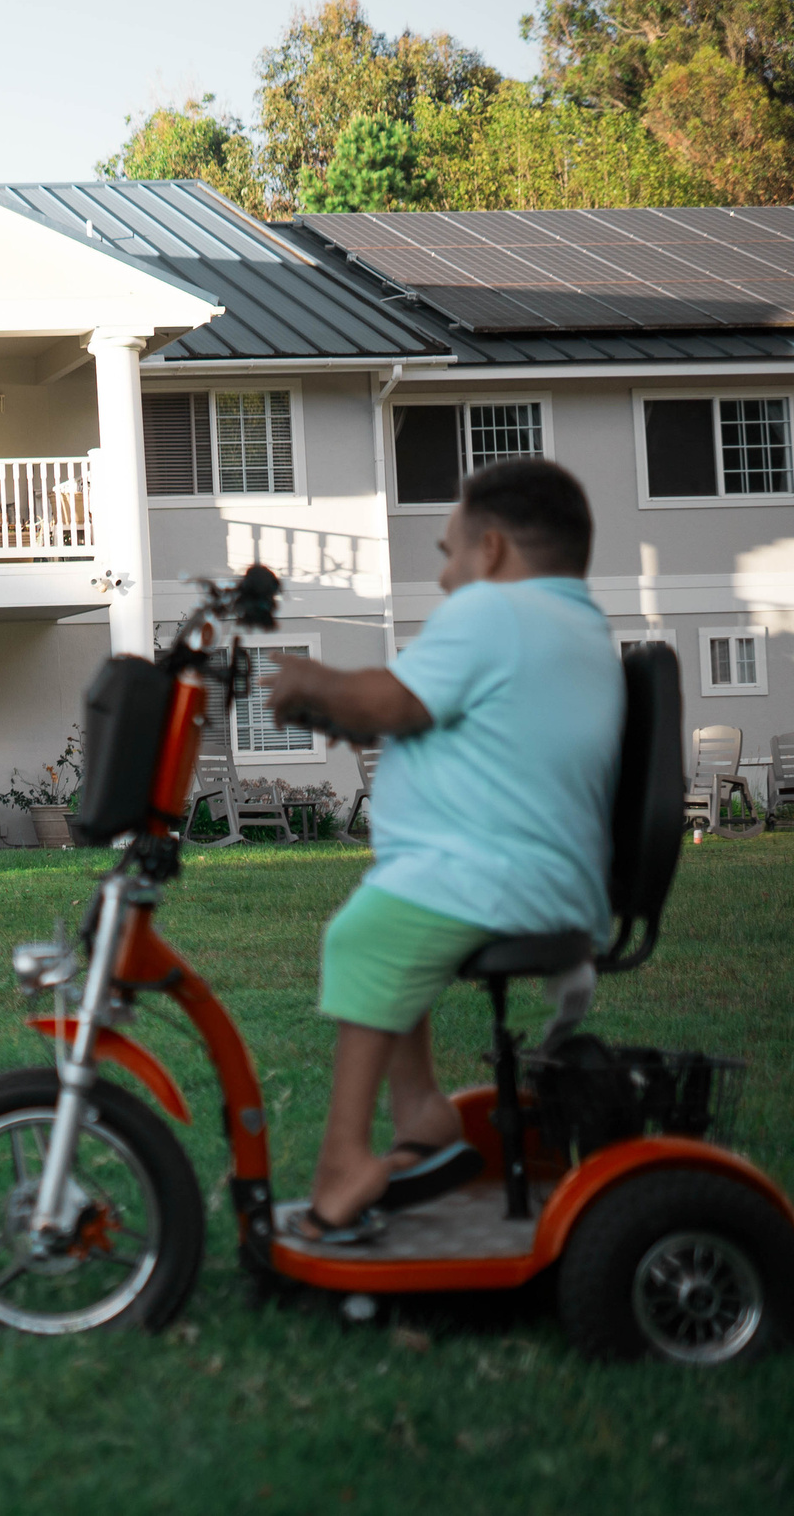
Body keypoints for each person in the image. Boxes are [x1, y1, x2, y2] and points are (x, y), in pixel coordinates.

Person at [264, 458, 621, 1243]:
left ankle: (344, 1162)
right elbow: (448, 721)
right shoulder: (572, 622)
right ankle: (423, 1111)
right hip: (538, 871)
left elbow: (395, 698)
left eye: (449, 552)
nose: (447, 574)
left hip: (502, 874)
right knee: (399, 906)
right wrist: (353, 710)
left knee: (367, 933)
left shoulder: (496, 612)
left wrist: (308, 678)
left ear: (490, 550)